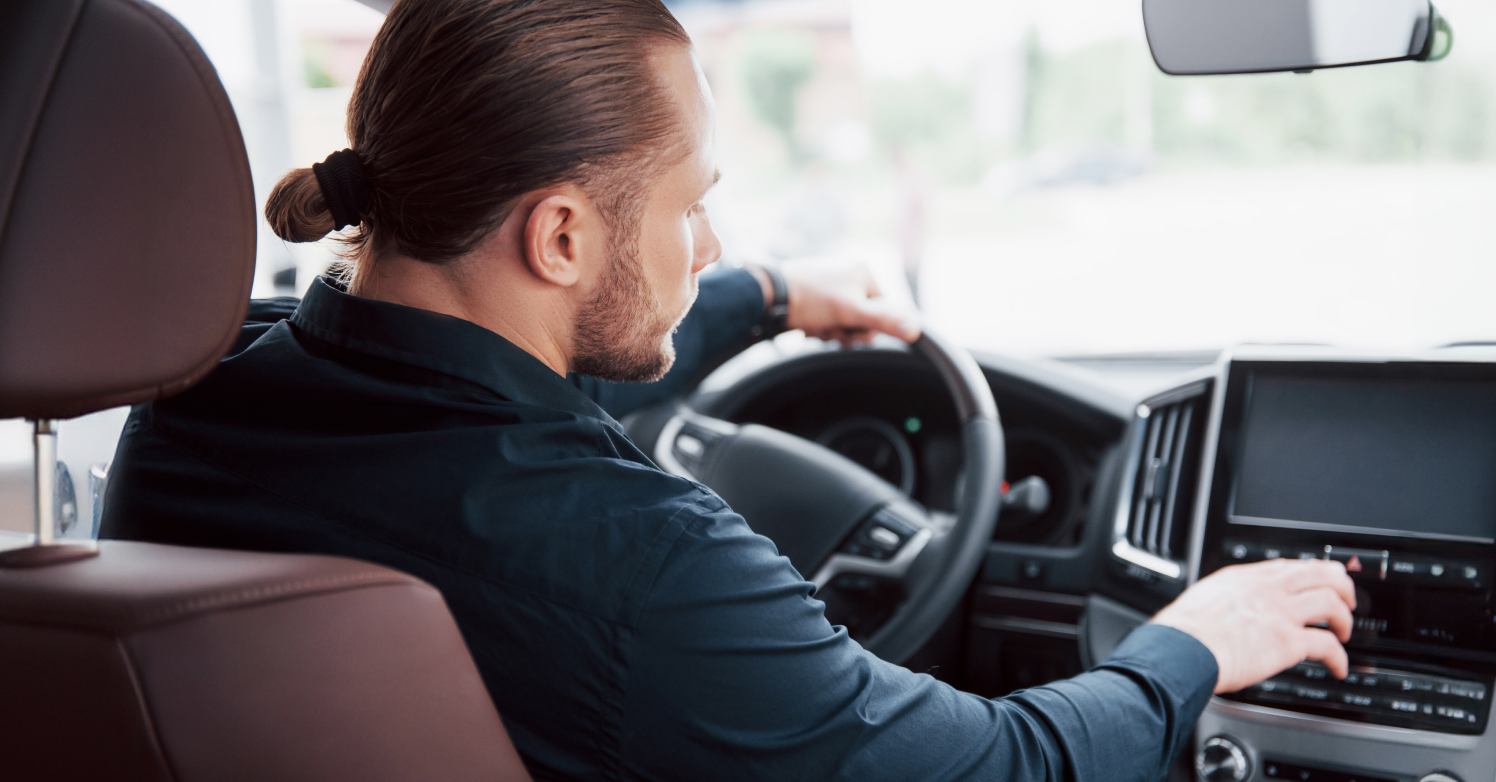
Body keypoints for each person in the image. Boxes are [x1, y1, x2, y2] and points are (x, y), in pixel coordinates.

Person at [101, 1, 1356, 779]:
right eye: (692, 204)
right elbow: (997, 764)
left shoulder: (193, 402)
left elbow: (493, 389)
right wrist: (1190, 646)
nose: (706, 242)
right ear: (560, 236)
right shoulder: (648, 565)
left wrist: (767, 294)